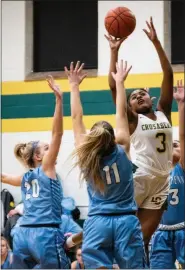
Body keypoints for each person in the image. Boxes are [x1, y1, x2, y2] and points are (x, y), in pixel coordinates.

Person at [65, 60, 146, 269]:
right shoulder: (122, 146)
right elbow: (121, 113)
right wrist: (120, 82)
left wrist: (73, 86)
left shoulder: (85, 154)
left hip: (98, 222)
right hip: (125, 221)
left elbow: (76, 117)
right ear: (113, 138)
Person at [106, 16, 173, 258]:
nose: (138, 97)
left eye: (142, 94)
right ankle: (82, 242)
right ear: (131, 107)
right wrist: (114, 51)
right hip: (139, 177)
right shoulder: (133, 120)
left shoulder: (164, 112)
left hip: (163, 181)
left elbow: (168, 73)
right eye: (133, 97)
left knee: (141, 241)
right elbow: (114, 87)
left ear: (151, 98)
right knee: (123, 233)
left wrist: (156, 42)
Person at [1, 76, 69, 269]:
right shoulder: (46, 169)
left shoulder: (24, 178)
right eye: (46, 148)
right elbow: (57, 133)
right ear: (38, 157)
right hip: (44, 235)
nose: (51, 149)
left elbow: (4, 177)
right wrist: (59, 99)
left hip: (22, 235)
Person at [150, 80, 185, 269]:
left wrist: (181, 105)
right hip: (161, 232)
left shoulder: (182, 168)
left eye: (177, 144)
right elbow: (158, 135)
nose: (173, 146)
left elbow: (183, 135)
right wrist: (146, 115)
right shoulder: (156, 169)